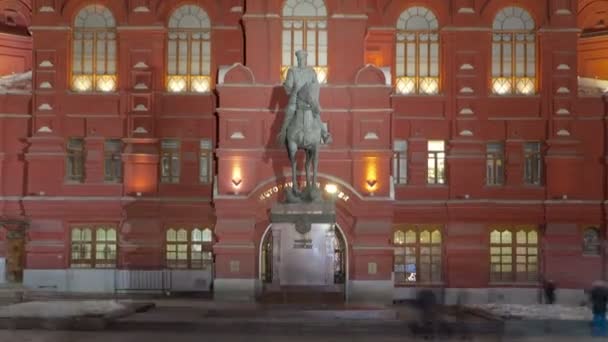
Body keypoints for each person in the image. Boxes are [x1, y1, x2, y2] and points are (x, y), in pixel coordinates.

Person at [278, 49, 330, 145]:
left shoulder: (311, 72)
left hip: (309, 100)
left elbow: (316, 86)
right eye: (299, 58)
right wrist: (292, 88)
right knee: (288, 115)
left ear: (305, 59)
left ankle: (324, 134)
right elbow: (288, 89)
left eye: (302, 58)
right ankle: (283, 134)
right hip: (296, 99)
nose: (300, 60)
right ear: (297, 59)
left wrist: (314, 100)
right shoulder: (292, 71)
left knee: (317, 115)